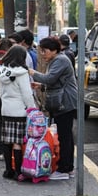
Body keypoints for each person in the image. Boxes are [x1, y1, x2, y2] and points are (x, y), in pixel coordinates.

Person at [29, 37, 77, 180]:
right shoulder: (56, 60)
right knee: (65, 135)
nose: (43, 54)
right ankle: (67, 167)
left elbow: (50, 79)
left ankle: (65, 169)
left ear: (54, 50)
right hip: (63, 101)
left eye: (45, 51)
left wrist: (33, 73)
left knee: (65, 136)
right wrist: (41, 86)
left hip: (65, 102)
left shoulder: (60, 60)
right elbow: (55, 82)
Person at [0, 45, 36, 180]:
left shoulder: (3, 71)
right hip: (20, 110)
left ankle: (8, 170)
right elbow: (27, 94)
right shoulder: (23, 73)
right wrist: (32, 108)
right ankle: (19, 172)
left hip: (6, 109)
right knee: (17, 142)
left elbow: (1, 92)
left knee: (7, 141)